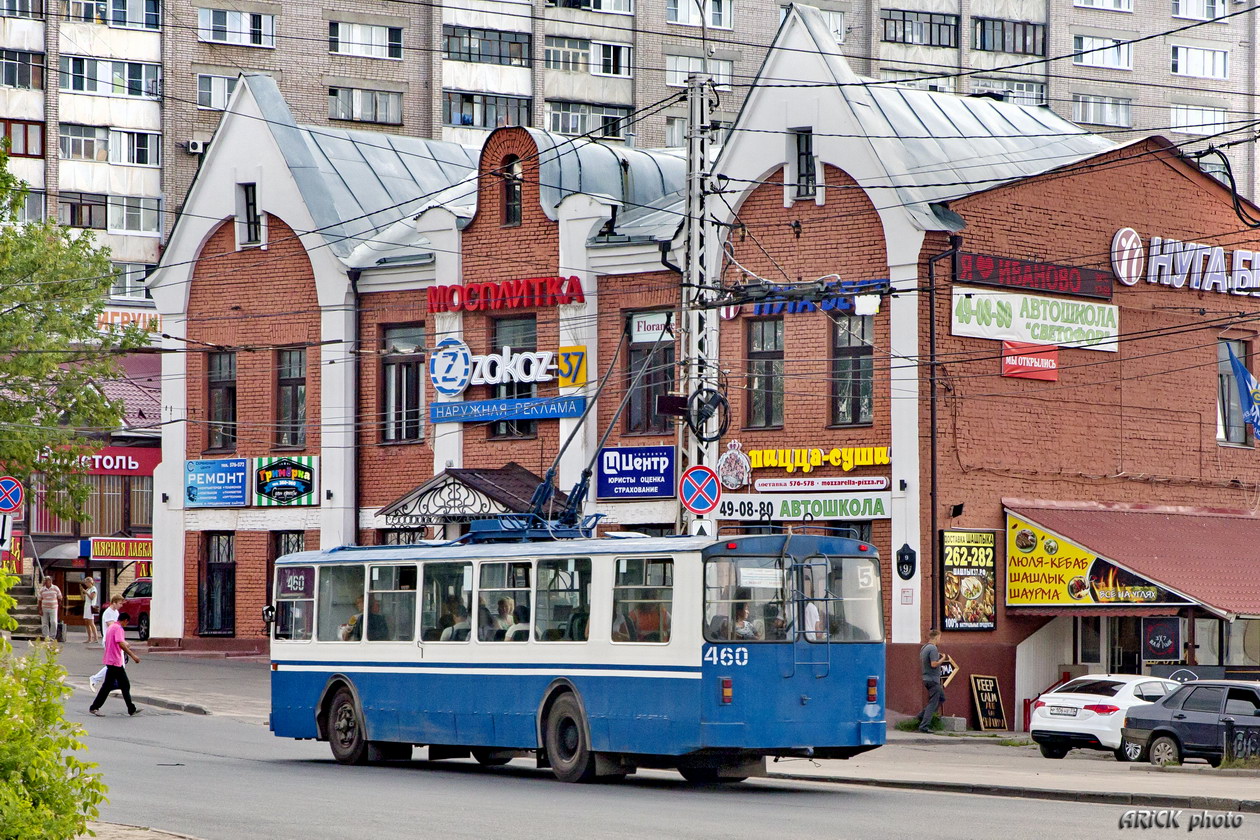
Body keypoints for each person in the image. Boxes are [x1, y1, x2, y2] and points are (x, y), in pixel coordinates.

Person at [89, 610, 142, 717]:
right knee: (124, 685)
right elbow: (120, 643)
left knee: (109, 686)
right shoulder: (118, 628)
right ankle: (130, 709)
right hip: (115, 661)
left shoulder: (111, 627)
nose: (126, 625)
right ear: (125, 620)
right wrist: (133, 655)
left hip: (110, 660)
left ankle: (95, 707)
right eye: (127, 623)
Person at [917, 628, 948, 734]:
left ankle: (921, 716)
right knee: (933, 703)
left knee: (942, 698)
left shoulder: (924, 648)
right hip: (933, 679)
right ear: (936, 637)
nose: (940, 640)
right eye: (940, 638)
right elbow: (933, 664)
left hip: (926, 678)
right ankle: (924, 726)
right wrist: (942, 659)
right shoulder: (933, 649)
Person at [91, 595, 125, 691]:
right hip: (109, 641)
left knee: (119, 663)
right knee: (114, 664)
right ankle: (96, 678)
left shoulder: (116, 612)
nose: (121, 605)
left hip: (116, 640)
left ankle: (114, 683)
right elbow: (112, 626)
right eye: (120, 603)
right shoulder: (108, 613)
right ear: (114, 602)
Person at [37, 576, 63, 641]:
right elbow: (39, 600)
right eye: (45, 580)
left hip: (53, 608)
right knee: (44, 623)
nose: (46, 582)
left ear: (51, 581)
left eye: (47, 580)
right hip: (44, 608)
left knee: (53, 622)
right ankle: (46, 636)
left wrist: (58, 606)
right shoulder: (42, 589)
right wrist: (40, 609)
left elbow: (60, 597)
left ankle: (52, 636)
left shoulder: (55, 588)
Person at [82, 579, 99, 645]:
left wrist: (86, 593)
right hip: (86, 606)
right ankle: (89, 638)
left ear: (90, 582)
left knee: (91, 622)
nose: (85, 584)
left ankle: (95, 638)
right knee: (86, 622)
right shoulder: (88, 589)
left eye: (86, 582)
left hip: (90, 606)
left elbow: (92, 597)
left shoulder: (93, 589)